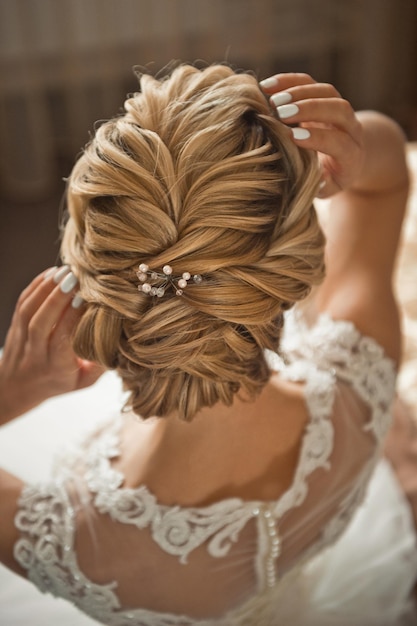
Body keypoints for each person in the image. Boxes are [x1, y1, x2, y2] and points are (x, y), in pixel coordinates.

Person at [0, 64, 416, 625]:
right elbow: (386, 181)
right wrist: (359, 150)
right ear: (277, 279)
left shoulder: (82, 543)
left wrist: (13, 391)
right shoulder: (360, 376)